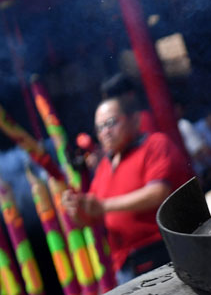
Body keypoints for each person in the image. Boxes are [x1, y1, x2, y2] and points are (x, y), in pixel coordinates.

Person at [63, 95, 192, 284]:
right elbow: (92, 216)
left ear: (134, 120)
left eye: (111, 123)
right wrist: (76, 209)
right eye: (99, 127)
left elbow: (158, 193)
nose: (105, 132)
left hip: (162, 252)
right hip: (125, 265)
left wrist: (104, 206)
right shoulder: (105, 167)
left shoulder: (154, 144)